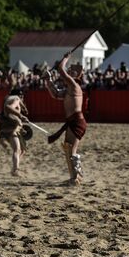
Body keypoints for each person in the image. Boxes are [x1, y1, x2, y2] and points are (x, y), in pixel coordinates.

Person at [44, 52, 87, 186]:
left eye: (72, 71)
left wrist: (65, 58)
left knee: (71, 150)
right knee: (68, 149)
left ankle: (76, 178)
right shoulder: (70, 89)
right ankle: (75, 176)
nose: (69, 70)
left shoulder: (74, 86)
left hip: (76, 121)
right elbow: (55, 94)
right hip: (73, 121)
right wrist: (48, 80)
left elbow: (61, 70)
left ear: (76, 75)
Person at [0, 89, 31, 176]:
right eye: (21, 96)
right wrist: (20, 115)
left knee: (22, 150)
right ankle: (15, 170)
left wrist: (23, 109)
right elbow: (8, 107)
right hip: (11, 129)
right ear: (18, 95)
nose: (22, 97)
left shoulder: (9, 98)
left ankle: (15, 167)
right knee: (17, 149)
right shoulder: (15, 99)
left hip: (6, 128)